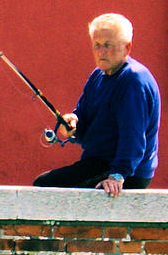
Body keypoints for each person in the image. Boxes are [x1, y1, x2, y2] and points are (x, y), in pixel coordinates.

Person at [33, 14, 160, 198]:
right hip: (97, 163)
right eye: (97, 45)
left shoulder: (133, 80)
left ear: (127, 47)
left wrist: (117, 175)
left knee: (45, 186)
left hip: (126, 171)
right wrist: (72, 126)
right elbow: (83, 119)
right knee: (45, 184)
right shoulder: (98, 76)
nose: (101, 51)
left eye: (108, 45)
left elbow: (133, 137)